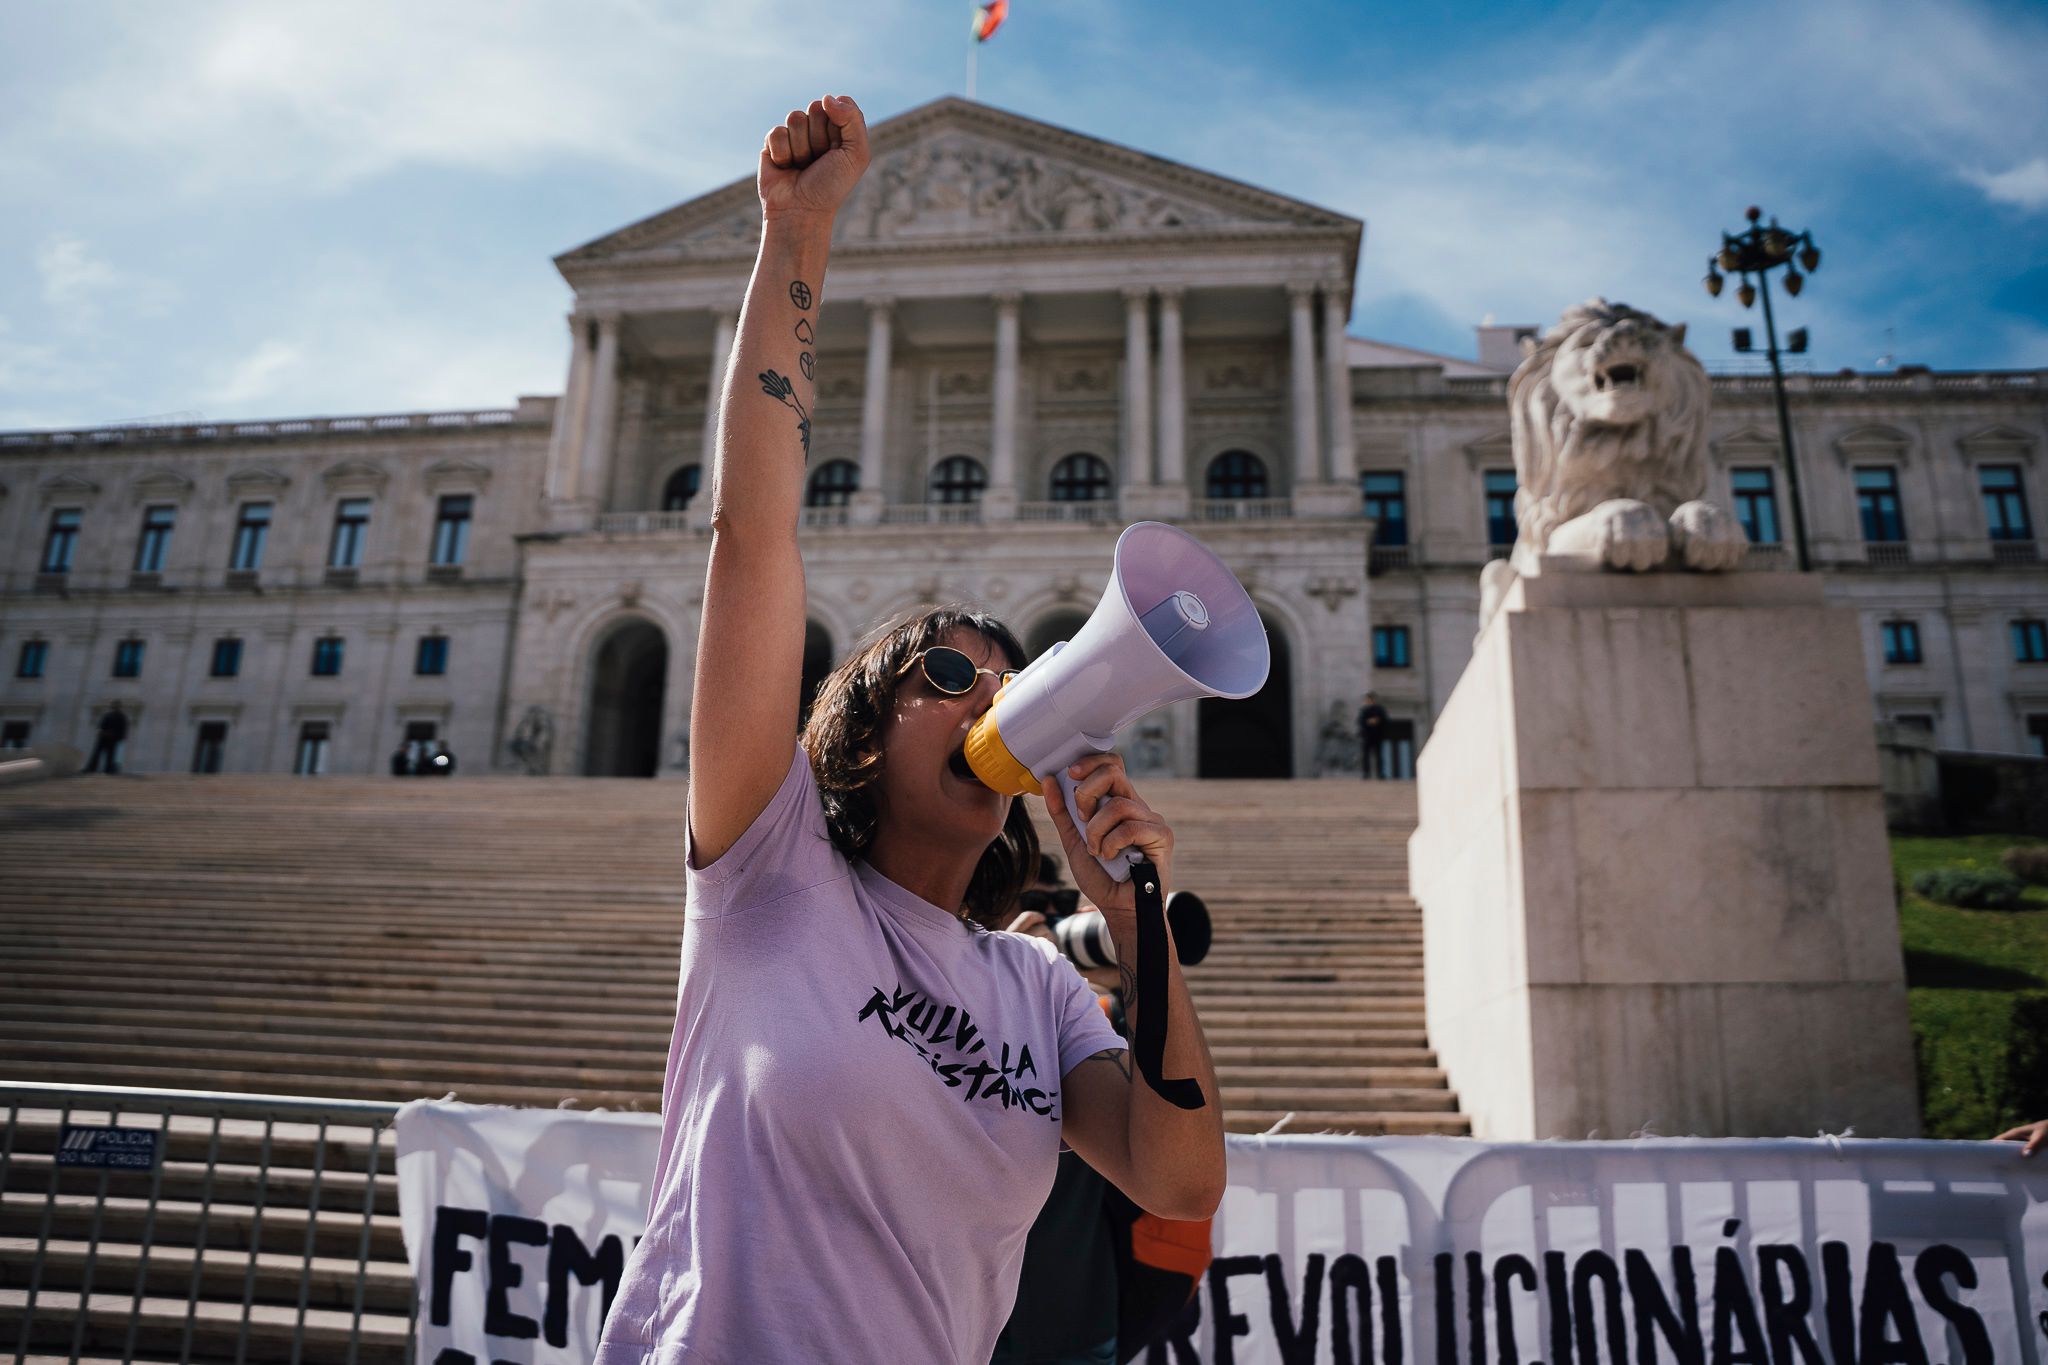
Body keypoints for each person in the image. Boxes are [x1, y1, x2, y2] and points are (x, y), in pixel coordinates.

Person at [593, 94, 1225, 1365]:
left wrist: (1139, 914)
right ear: (864, 734)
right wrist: (799, 236)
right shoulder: (768, 879)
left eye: (1010, 678)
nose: (992, 697)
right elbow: (753, 536)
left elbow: (1178, 1181)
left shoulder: (1037, 988)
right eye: (947, 671)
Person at [85, 703, 127, 774]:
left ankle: (107, 769)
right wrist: (102, 732)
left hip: (113, 738)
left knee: (110, 755)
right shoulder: (108, 715)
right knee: (97, 753)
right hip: (104, 737)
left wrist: (118, 736)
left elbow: (122, 729)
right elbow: (101, 726)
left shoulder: (121, 717)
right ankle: (92, 768)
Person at [1357, 691, 1388, 779]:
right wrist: (1369, 722)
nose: (1369, 701)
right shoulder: (1364, 710)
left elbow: (1385, 721)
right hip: (1367, 736)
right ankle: (1366, 773)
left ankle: (1380, 773)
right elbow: (1360, 722)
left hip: (1377, 736)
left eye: (1371, 699)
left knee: (1379, 755)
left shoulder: (1380, 709)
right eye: (1368, 699)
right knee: (1365, 755)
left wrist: (1378, 721)